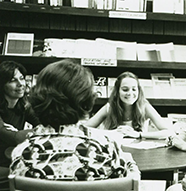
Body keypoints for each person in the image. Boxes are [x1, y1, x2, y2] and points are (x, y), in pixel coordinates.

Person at [10, 59, 139, 181]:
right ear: (86, 100)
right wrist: (129, 161)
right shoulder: (105, 148)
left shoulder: (20, 154)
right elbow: (129, 185)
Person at [0, 61, 39, 190]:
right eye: (12, 80)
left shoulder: (24, 106)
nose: (20, 84)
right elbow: (10, 136)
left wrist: (22, 133)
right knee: (33, 177)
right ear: (1, 85)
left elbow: (46, 127)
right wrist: (21, 134)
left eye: (22, 78)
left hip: (13, 163)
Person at [85, 71, 172, 139]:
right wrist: (112, 133)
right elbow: (83, 129)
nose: (130, 93)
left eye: (134, 89)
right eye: (125, 89)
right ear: (117, 92)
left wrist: (139, 135)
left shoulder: (144, 106)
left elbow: (167, 131)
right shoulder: (109, 107)